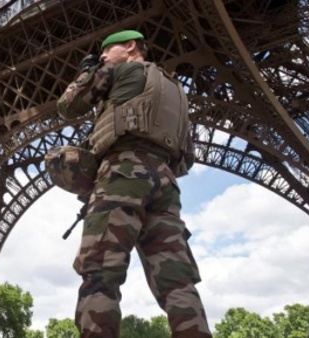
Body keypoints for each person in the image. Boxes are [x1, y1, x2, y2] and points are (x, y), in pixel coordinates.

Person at [56, 30, 212, 337]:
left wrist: (88, 71)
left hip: (123, 172)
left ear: (130, 47)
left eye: (106, 50)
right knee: (177, 281)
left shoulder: (116, 69)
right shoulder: (174, 90)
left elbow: (68, 105)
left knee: (100, 272)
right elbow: (187, 156)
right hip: (166, 184)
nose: (102, 55)